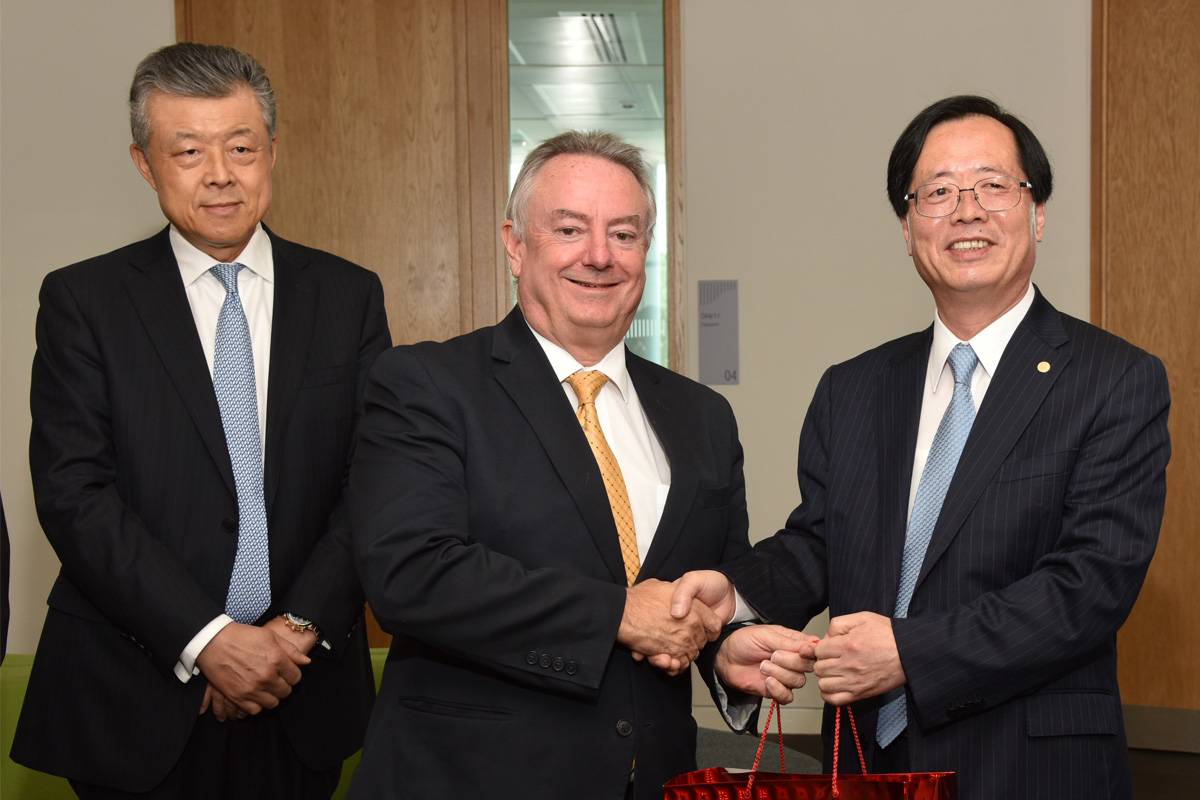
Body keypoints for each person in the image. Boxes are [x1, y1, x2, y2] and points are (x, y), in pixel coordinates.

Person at [673, 95, 1170, 800]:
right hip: (871, 767)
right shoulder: (853, 388)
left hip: (1033, 768)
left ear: (1038, 211)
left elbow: (1091, 587)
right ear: (908, 229)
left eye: (994, 186)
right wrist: (737, 599)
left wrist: (908, 653)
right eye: (937, 193)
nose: (967, 210)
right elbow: (821, 541)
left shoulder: (1115, 380)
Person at [347, 130, 783, 800]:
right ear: (516, 245)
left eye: (625, 234)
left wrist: (729, 651)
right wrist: (616, 614)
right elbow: (409, 572)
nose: (600, 256)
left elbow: (713, 583)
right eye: (570, 229)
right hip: (470, 779)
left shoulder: (702, 416)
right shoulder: (426, 383)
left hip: (656, 781)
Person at [11, 43, 390, 799]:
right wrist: (208, 638)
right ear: (145, 163)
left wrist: (292, 633)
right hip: (133, 692)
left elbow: (375, 481)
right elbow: (74, 492)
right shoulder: (85, 303)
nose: (220, 173)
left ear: (272, 151)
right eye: (188, 150)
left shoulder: (348, 297)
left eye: (241, 147)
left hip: (301, 690)